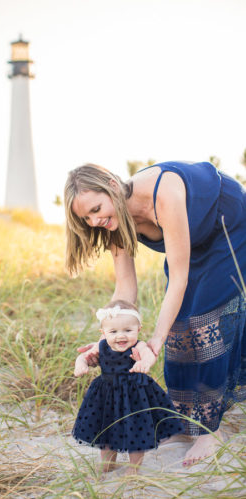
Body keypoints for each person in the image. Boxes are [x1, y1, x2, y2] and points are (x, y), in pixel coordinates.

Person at [64, 161, 246, 466]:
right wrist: (108, 335)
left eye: (96, 208)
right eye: (87, 217)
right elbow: (125, 289)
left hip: (229, 226)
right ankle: (186, 420)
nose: (95, 220)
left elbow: (178, 279)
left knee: (201, 320)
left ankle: (209, 431)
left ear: (111, 183)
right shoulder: (114, 223)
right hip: (191, 244)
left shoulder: (164, 193)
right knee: (177, 326)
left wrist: (153, 343)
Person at [72, 300, 184, 473]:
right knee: (106, 430)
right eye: (113, 331)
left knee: (137, 432)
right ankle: (107, 464)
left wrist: (145, 363)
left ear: (138, 329)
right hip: (107, 396)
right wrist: (81, 364)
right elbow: (84, 357)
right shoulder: (101, 346)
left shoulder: (138, 345)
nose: (121, 336)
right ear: (103, 333)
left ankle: (133, 467)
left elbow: (148, 355)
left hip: (135, 395)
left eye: (128, 330)